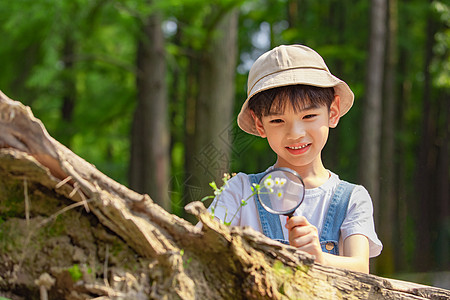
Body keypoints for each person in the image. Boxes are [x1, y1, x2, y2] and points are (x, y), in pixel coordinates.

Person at [207, 45, 382, 273]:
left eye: (309, 116)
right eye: (277, 121)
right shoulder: (240, 192)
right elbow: (202, 247)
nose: (295, 133)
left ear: (333, 111)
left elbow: (360, 268)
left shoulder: (351, 199)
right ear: (260, 124)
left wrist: (320, 259)